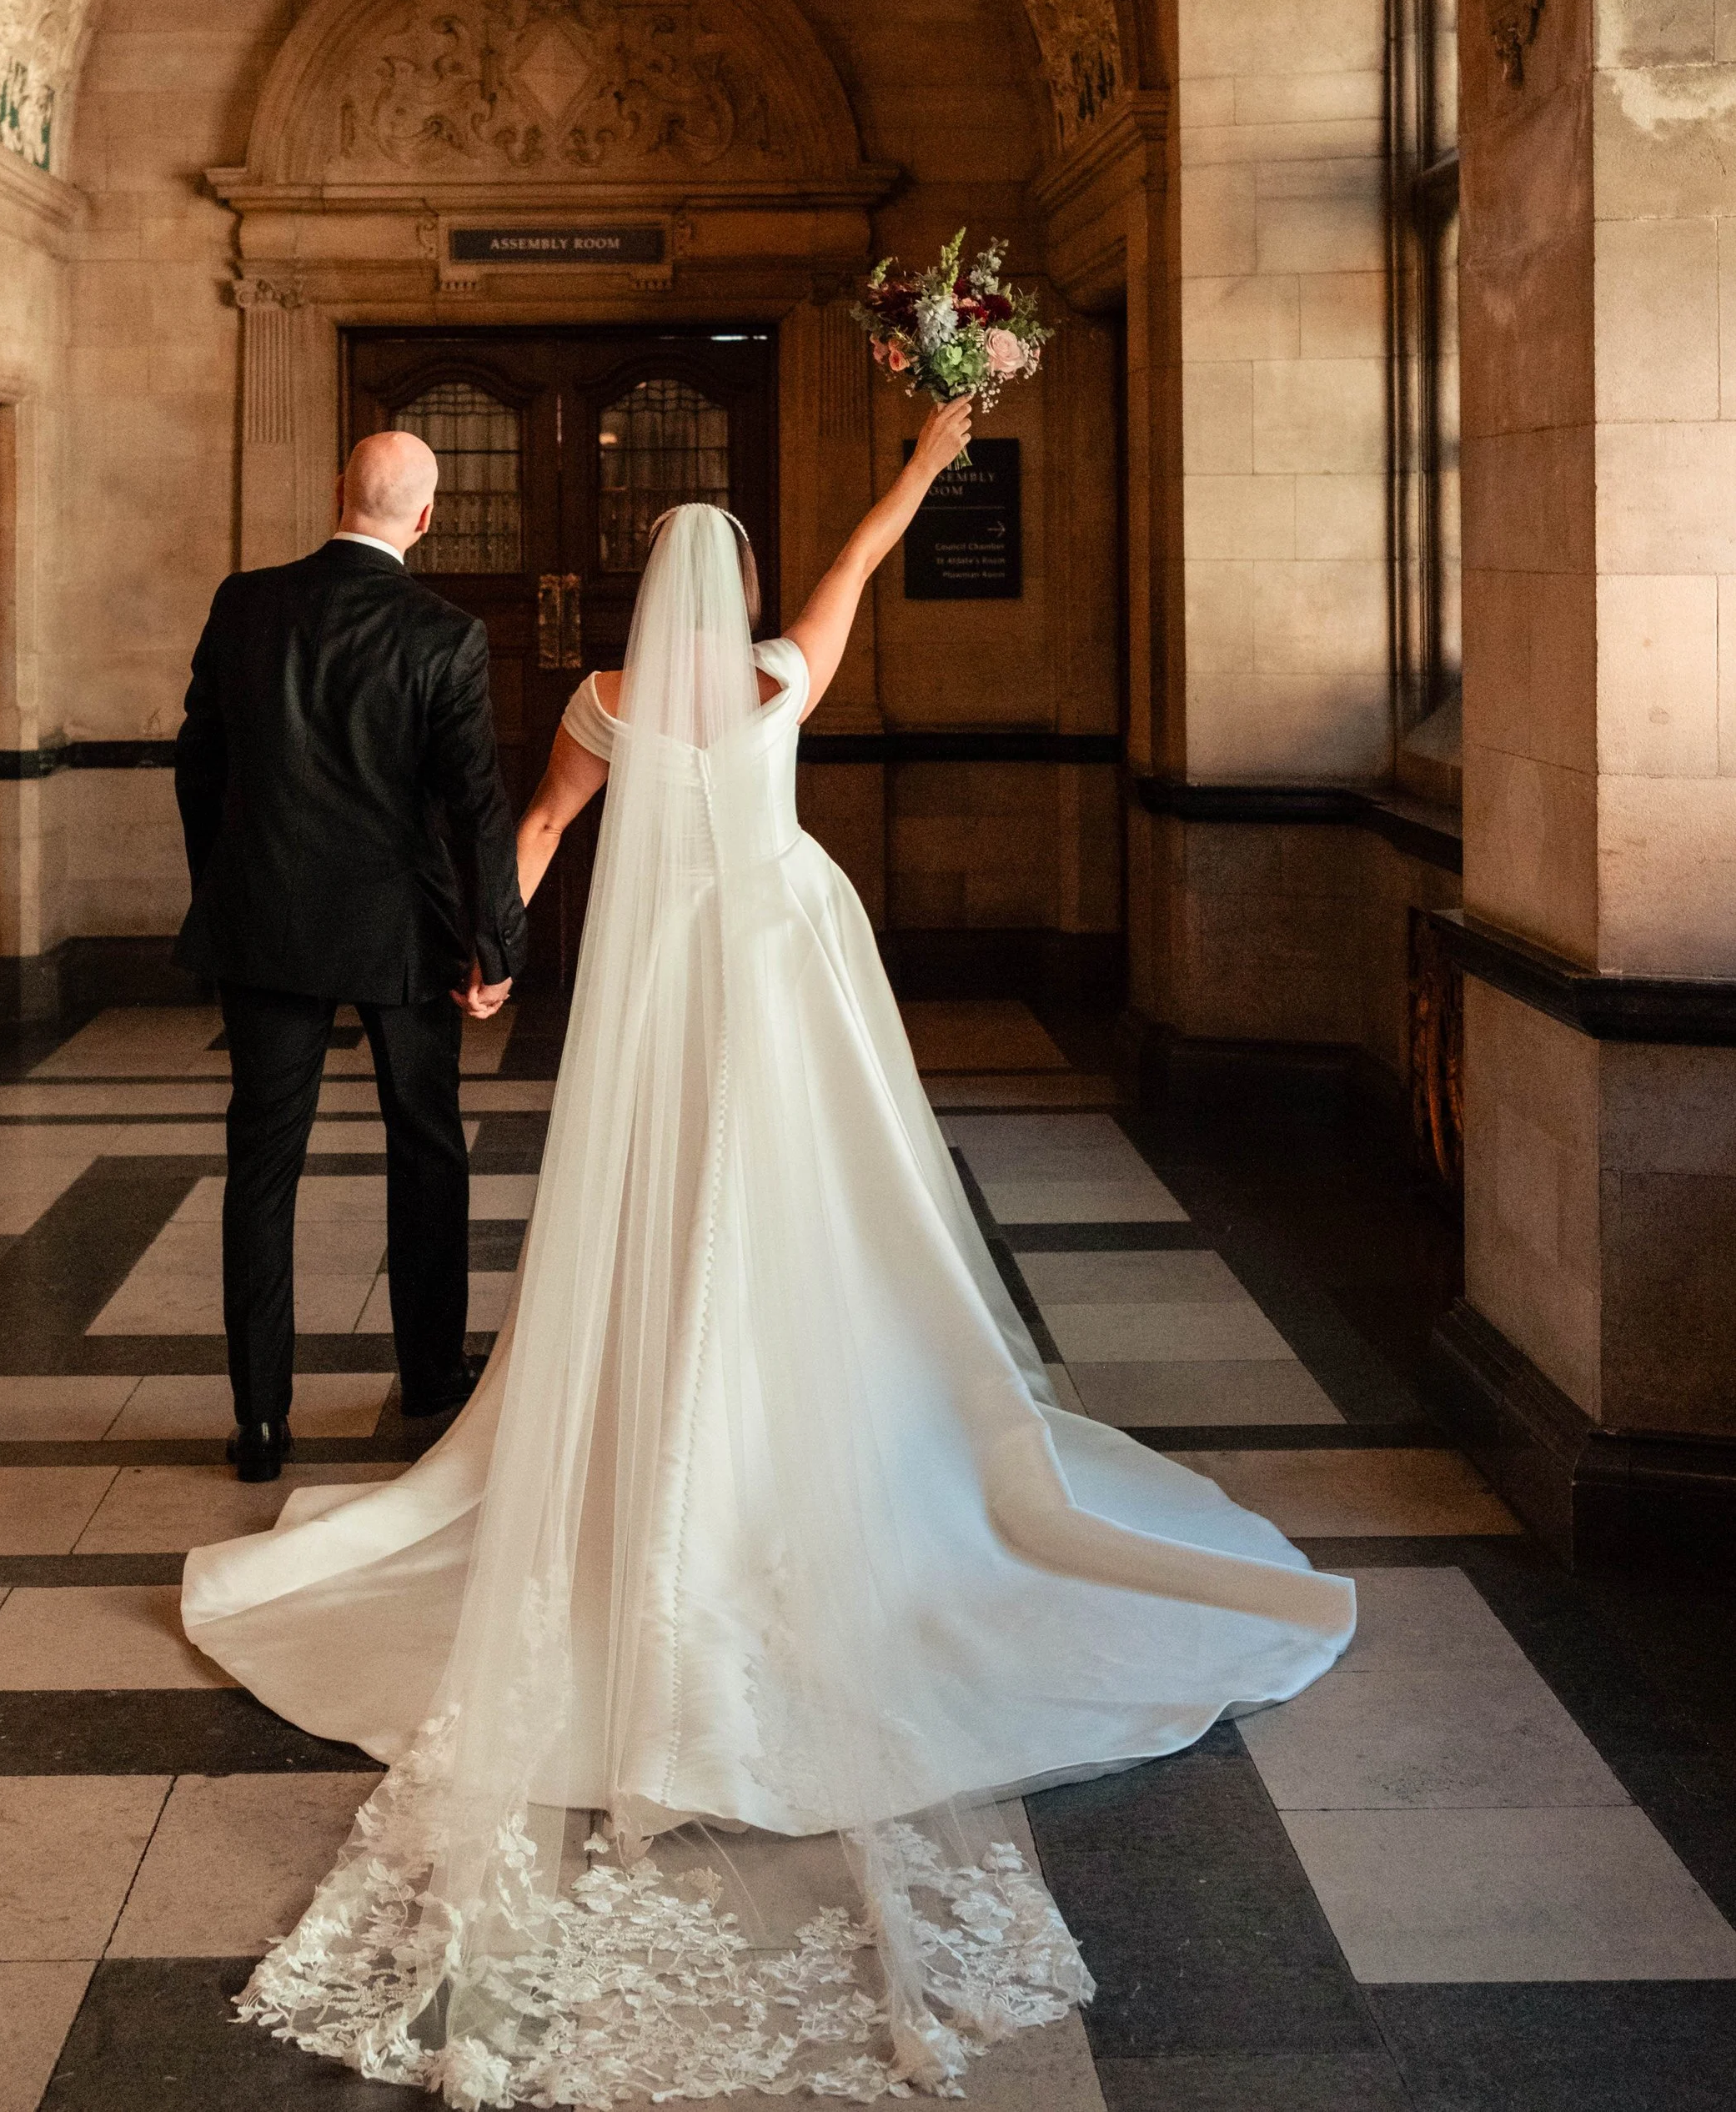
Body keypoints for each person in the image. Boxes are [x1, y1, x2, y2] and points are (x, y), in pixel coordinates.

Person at [183, 399, 1356, 2094]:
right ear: (727, 596)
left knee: (649, 1209)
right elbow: (863, 558)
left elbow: (535, 829)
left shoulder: (594, 701)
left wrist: (493, 956)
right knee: (813, 1219)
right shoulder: (779, 678)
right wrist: (930, 447)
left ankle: (623, 1450)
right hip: (781, 978)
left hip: (660, 991)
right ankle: (788, 1454)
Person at [173, 429, 527, 1482]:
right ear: (426, 518)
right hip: (399, 930)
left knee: (261, 1164)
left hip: (265, 922)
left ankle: (261, 1420)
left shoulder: (246, 603)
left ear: (339, 494)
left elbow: (196, 764)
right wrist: (492, 938)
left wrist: (226, 883)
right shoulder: (447, 635)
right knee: (427, 1148)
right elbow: (475, 804)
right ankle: (428, 1376)